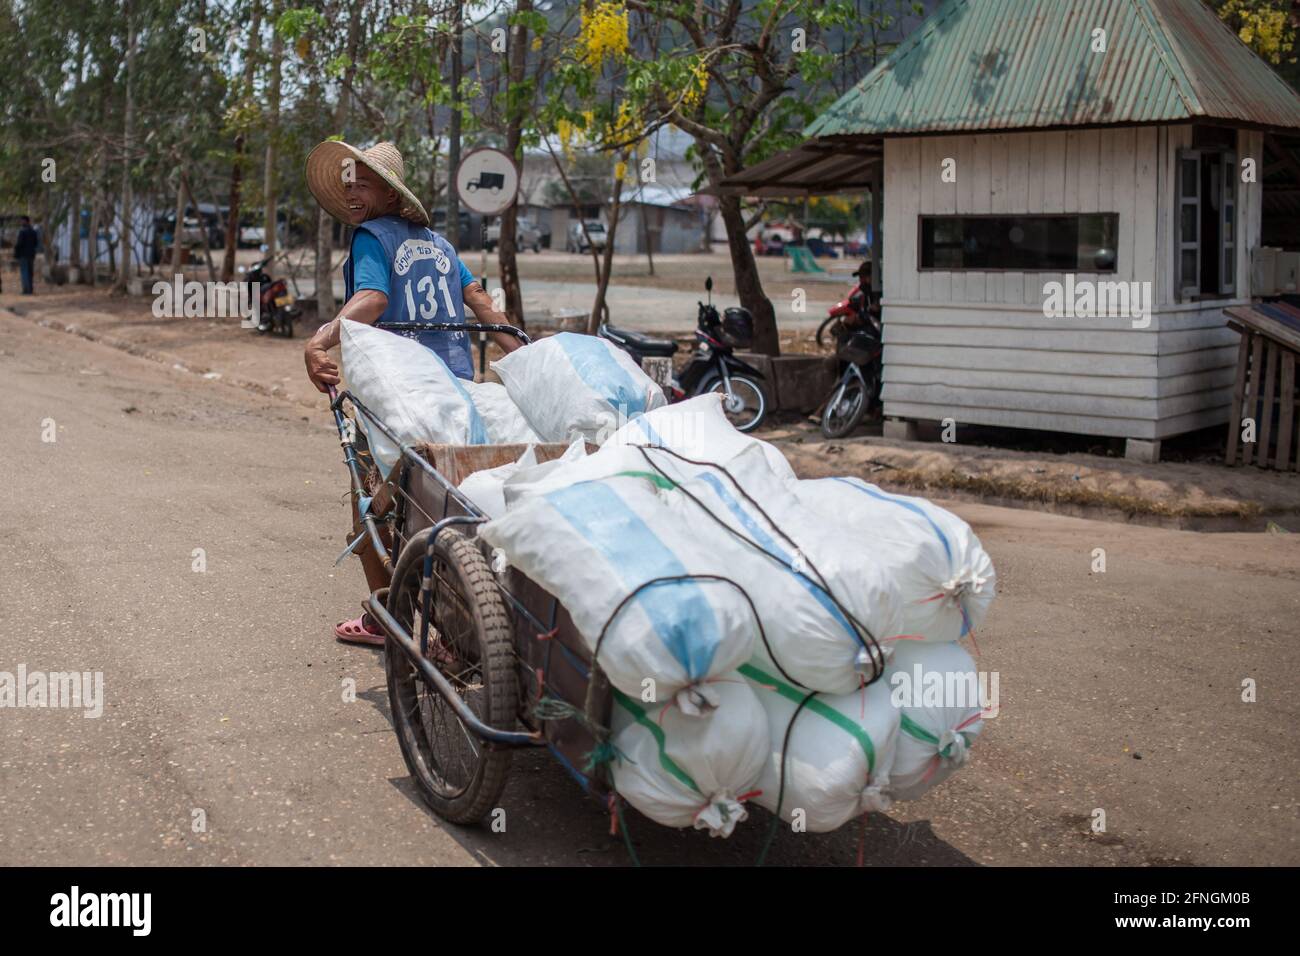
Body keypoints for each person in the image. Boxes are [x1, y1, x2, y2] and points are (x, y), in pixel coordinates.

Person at [302, 140, 523, 646]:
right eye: (348, 178)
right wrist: (524, 353)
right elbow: (481, 303)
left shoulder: (369, 237)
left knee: (372, 503)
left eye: (364, 179)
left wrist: (319, 340)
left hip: (399, 395)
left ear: (391, 192)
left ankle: (388, 619)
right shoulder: (441, 245)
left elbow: (374, 298)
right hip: (458, 392)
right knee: (449, 496)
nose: (353, 186)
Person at [14, 216, 39, 295]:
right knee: (30, 272)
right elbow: (36, 243)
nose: (21, 223)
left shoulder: (22, 232)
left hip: (23, 255)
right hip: (31, 254)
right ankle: (30, 289)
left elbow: (19, 244)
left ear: (27, 221)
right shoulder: (33, 231)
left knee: (25, 272)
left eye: (22, 221)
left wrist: (16, 253)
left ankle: (26, 290)